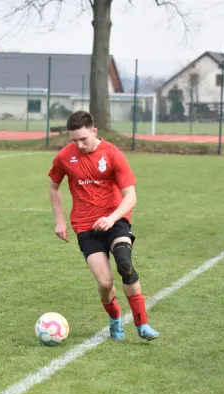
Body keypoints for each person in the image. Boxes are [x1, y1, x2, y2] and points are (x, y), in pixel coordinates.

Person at [47, 110, 159, 341]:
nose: (79, 144)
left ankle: (142, 324)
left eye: (84, 139)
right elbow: (53, 187)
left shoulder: (113, 154)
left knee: (125, 264)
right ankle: (115, 319)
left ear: (94, 131)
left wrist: (112, 217)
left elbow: (130, 196)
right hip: (85, 226)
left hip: (116, 220)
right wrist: (59, 220)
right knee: (106, 283)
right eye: (74, 140)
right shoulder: (64, 157)